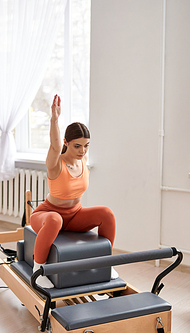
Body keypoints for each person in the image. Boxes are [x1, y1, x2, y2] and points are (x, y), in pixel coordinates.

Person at [30, 95, 117, 288]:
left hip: (74, 216)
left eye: (86, 146)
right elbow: (54, 145)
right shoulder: (55, 164)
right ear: (66, 142)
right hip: (47, 215)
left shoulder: (83, 160)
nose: (83, 151)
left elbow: (82, 154)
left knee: (107, 214)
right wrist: (54, 118)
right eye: (77, 146)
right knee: (55, 219)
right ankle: (38, 269)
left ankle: (105, 262)